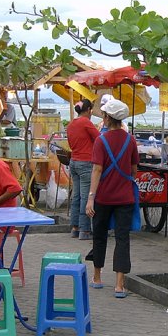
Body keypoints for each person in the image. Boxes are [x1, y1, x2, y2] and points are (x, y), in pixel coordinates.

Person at [86, 99, 139, 298]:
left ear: (108, 118)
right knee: (122, 239)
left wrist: (91, 197)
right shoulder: (130, 140)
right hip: (125, 198)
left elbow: (97, 170)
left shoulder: (101, 141)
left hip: (103, 198)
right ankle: (119, 285)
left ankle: (97, 278)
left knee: (99, 236)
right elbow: (134, 169)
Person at [67, 99, 100, 240]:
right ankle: (85, 230)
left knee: (76, 196)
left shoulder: (71, 124)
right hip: (86, 163)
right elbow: (99, 139)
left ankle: (75, 227)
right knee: (86, 197)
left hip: (73, 162)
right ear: (88, 110)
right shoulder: (86, 122)